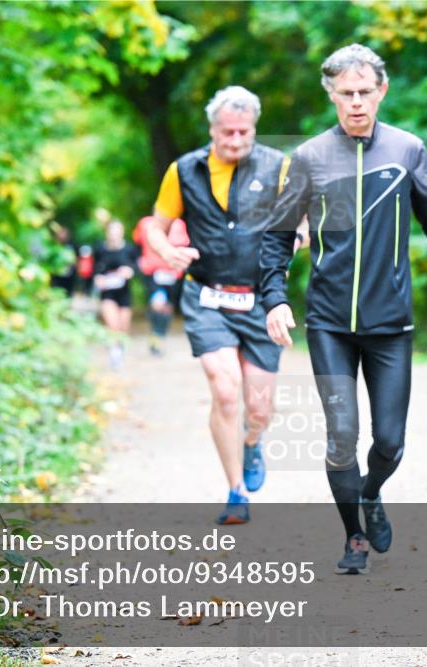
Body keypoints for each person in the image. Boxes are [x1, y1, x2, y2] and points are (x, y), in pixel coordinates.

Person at [259, 44, 427, 573]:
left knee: (391, 442)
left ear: (381, 92)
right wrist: (275, 299)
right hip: (328, 322)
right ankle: (354, 536)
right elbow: (278, 237)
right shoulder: (307, 158)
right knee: (341, 436)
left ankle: (370, 493)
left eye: (364, 93)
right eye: (345, 94)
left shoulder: (407, 150)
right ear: (331, 94)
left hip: (390, 322)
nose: (355, 103)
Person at [146, 85, 304, 525]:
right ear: (212, 129)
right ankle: (235, 490)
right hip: (207, 295)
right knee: (224, 388)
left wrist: (300, 235)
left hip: (261, 299)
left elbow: (304, 217)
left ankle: (252, 443)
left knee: (259, 407)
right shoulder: (185, 170)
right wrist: (167, 252)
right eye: (227, 133)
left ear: (254, 128)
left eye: (244, 132)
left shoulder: (279, 165)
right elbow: (155, 227)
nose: (235, 140)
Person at [133, 216, 190, 356]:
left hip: (173, 273)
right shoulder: (145, 223)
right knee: (157, 304)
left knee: (167, 308)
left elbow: (186, 246)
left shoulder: (179, 224)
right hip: (153, 272)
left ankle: (160, 336)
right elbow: (137, 243)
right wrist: (139, 261)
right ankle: (156, 334)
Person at [94, 220, 140, 369]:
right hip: (107, 292)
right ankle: (114, 355)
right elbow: (94, 270)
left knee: (123, 327)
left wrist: (130, 272)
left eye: (117, 230)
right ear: (107, 232)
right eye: (111, 230)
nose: (114, 234)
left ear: (122, 232)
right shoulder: (100, 249)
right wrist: (98, 278)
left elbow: (137, 267)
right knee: (112, 325)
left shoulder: (129, 249)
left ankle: (119, 350)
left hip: (124, 293)